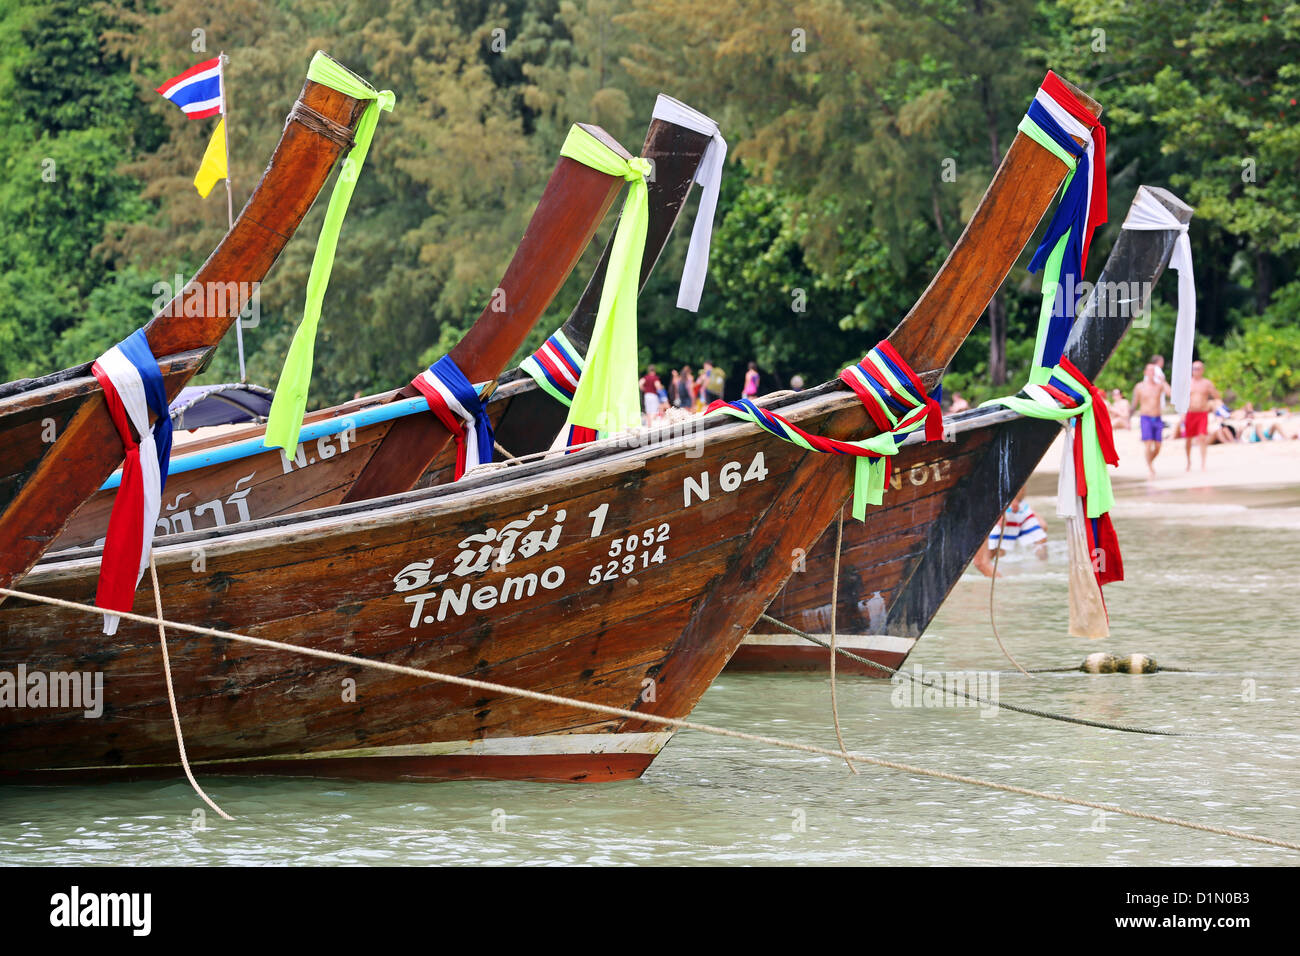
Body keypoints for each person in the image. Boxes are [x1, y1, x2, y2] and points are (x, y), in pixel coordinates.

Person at [974, 491, 1048, 577]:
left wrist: (1015, 500)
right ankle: (1000, 582)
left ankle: (1043, 568)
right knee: (985, 559)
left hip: (1015, 503)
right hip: (1004, 503)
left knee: (1041, 529)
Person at [1130, 364, 1171, 478]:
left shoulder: (1159, 386)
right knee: (1148, 444)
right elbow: (1134, 404)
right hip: (1145, 418)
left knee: (1158, 446)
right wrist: (1128, 418)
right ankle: (1150, 468)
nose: (1152, 373)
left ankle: (1149, 462)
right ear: (1145, 372)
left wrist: (1163, 381)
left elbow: (1170, 394)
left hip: (1157, 418)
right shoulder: (1139, 387)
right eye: (1149, 370)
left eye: (1154, 371)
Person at [1182, 360, 1221, 471]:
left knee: (1202, 437)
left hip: (1202, 413)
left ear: (1202, 370)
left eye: (1198, 369)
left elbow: (1217, 396)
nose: (1196, 371)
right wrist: (1182, 414)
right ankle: (1188, 462)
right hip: (1190, 413)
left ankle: (1203, 463)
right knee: (1188, 439)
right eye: (1194, 368)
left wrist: (1212, 391)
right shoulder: (1187, 382)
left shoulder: (1207, 383)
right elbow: (1181, 399)